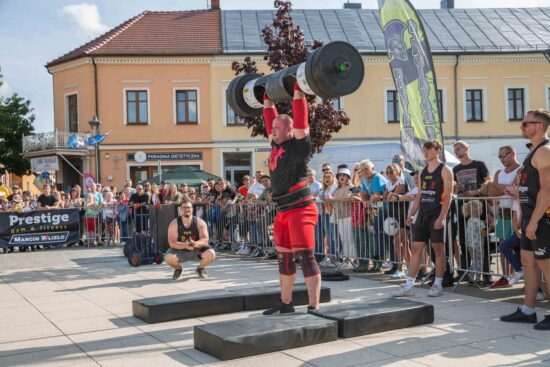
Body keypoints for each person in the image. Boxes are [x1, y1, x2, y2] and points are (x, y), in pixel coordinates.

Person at [261, 82, 321, 315]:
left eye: (278, 128)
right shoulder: (275, 145)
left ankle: (314, 306)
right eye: (273, 128)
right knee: (284, 259)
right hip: (283, 212)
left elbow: (301, 123)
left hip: (301, 210)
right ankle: (286, 303)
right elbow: (269, 120)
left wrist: (298, 92)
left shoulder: (299, 147)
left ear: (289, 130)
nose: (273, 131)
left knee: (306, 257)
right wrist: (267, 102)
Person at [500, 108, 550, 330]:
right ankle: (528, 310)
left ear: (539, 126)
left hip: (543, 219)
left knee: (547, 266)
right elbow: (529, 188)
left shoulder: (545, 151)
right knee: (529, 263)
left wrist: (535, 220)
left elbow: (547, 189)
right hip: (531, 216)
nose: (522, 126)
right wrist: (522, 214)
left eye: (526, 123)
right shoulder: (534, 152)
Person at [393, 140, 453, 297]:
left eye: (429, 149)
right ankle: (409, 285)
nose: (425, 152)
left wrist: (442, 217)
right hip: (423, 215)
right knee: (416, 249)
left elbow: (448, 197)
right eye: (424, 150)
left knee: (438, 250)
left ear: (437, 150)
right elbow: (419, 194)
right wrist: (412, 213)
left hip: (437, 213)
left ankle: (438, 284)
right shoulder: (423, 171)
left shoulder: (445, 170)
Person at [452, 140, 492, 284]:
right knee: (464, 239)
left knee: (483, 240)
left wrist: (474, 191)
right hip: (463, 207)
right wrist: (458, 188)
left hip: (478, 205)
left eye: (459, 148)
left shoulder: (479, 164)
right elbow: (454, 188)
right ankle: (466, 272)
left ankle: (486, 274)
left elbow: (488, 181)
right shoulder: (455, 168)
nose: (457, 151)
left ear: (466, 149)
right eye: (455, 149)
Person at [486, 145, 522, 288]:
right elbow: (490, 191)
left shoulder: (521, 169)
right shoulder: (499, 172)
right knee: (503, 246)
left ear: (513, 153)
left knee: (519, 248)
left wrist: (499, 187)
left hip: (516, 212)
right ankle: (505, 276)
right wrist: (505, 188)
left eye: (504, 155)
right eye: (499, 156)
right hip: (502, 213)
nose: (501, 158)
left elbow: (514, 188)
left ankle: (519, 274)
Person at [165, 200, 215, 280]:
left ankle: (200, 268)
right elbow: (172, 242)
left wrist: (195, 243)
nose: (186, 209)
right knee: (168, 258)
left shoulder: (200, 222)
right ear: (180, 210)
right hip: (180, 250)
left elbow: (205, 239)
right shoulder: (174, 223)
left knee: (211, 253)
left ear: (192, 209)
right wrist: (185, 245)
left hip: (197, 250)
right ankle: (178, 269)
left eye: (188, 207)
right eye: (184, 207)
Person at [462, 200, 487, 285]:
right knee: (479, 261)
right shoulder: (480, 222)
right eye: (482, 209)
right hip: (478, 245)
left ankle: (471, 277)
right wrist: (490, 227)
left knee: (475, 261)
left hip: (470, 244)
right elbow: (484, 234)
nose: (482, 211)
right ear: (476, 210)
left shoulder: (469, 220)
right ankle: (477, 279)